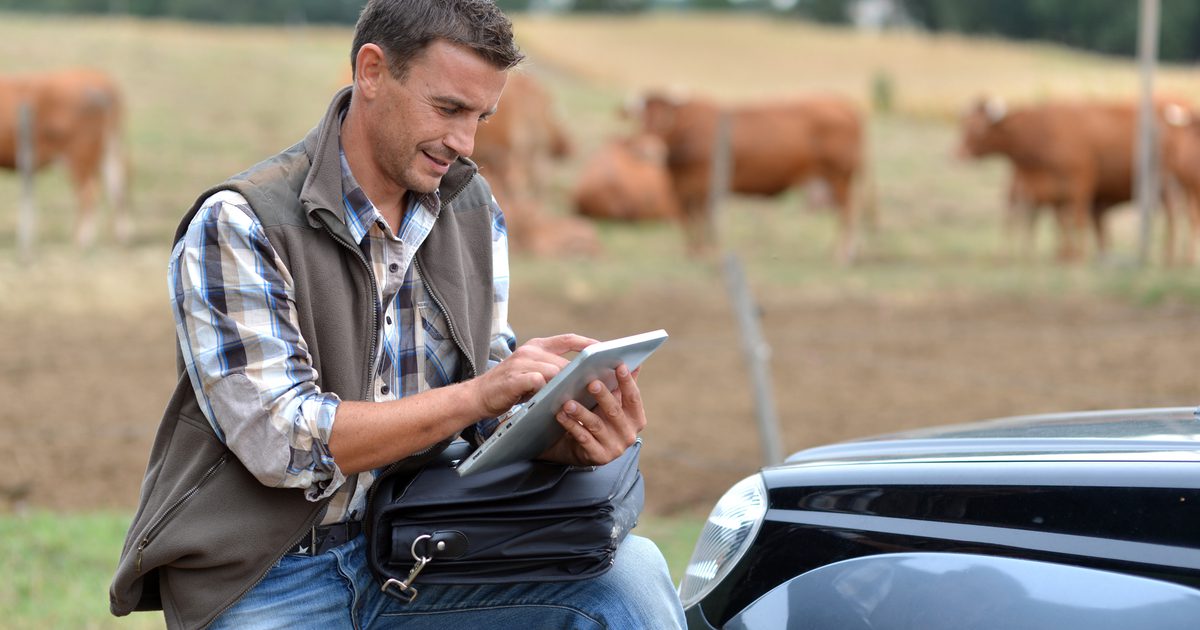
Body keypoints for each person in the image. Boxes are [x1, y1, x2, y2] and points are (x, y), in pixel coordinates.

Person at [108, 1, 686, 628]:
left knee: (630, 577)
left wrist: (560, 436)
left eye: (481, 117)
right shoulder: (241, 222)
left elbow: (486, 402)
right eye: (448, 110)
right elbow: (284, 441)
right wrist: (481, 395)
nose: (464, 143)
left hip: (420, 545)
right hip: (268, 575)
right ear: (373, 71)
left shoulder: (471, 207)